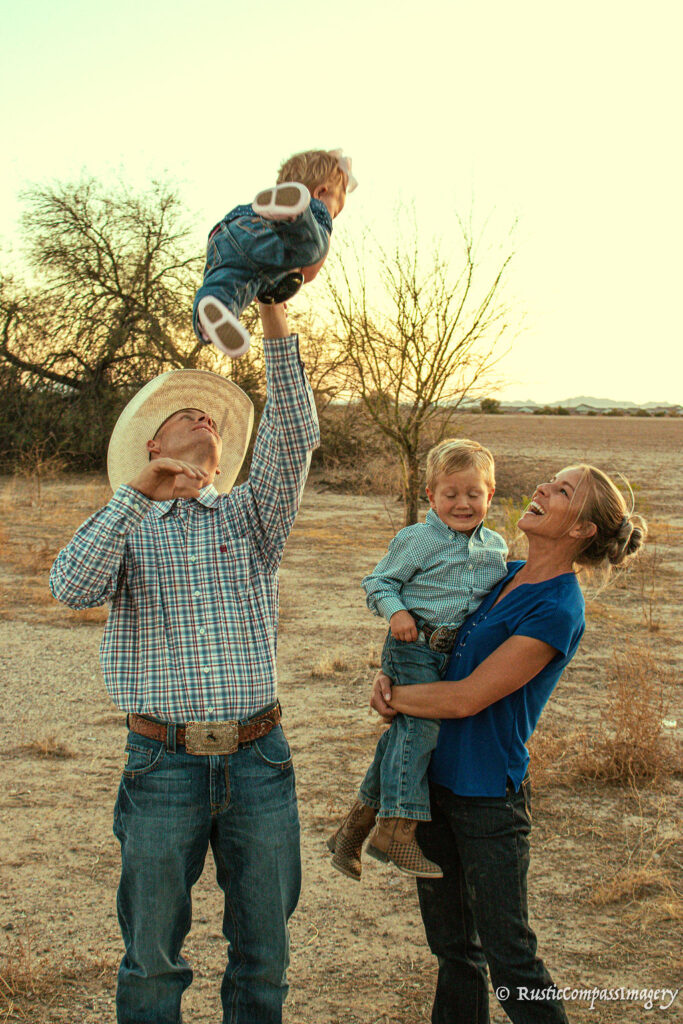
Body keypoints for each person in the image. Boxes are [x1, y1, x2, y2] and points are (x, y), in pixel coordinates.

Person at [49, 301, 320, 1024]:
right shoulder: (127, 525)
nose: (206, 421)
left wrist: (273, 313)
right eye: (187, 416)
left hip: (261, 762)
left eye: (213, 420)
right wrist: (135, 494)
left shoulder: (250, 517)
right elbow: (70, 588)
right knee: (151, 960)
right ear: (151, 443)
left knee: (263, 957)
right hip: (160, 763)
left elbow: (294, 435)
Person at [369, 463, 647, 1024]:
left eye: (562, 490)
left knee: (511, 959)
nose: (543, 488)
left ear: (583, 530)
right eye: (550, 481)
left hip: (487, 797)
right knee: (454, 953)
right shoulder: (502, 573)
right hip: (434, 783)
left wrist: (396, 699)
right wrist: (390, 671)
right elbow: (433, 640)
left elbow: (468, 697)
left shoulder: (558, 605)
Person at [329, 439, 508, 880]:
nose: (462, 504)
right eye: (451, 494)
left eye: (473, 494)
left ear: (490, 494)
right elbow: (378, 582)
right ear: (431, 495)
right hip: (414, 642)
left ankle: (352, 832)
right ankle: (398, 830)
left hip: (450, 653)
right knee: (422, 728)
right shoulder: (418, 539)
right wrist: (398, 614)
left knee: (402, 736)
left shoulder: (496, 548)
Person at [193, 147, 357, 358]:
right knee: (313, 246)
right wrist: (319, 226)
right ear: (319, 193)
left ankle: (209, 316)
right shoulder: (317, 206)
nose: (332, 215)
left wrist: (274, 285)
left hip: (226, 233)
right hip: (269, 233)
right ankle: (294, 217)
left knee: (224, 285)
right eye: (335, 210)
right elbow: (311, 268)